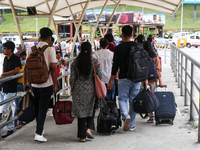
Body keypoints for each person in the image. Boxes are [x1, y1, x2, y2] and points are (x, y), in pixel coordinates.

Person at [107, 26, 148, 131]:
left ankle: (126, 116)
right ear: (132, 34)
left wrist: (111, 80)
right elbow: (143, 63)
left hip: (123, 78)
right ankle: (132, 124)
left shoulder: (118, 48)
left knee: (122, 99)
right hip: (136, 78)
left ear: (122, 34)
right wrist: (145, 78)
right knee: (133, 100)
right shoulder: (138, 46)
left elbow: (115, 66)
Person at [23, 27, 58, 142]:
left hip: (34, 84)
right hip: (46, 83)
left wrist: (25, 83)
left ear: (39, 37)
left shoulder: (31, 49)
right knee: (43, 108)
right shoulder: (50, 49)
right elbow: (53, 68)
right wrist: (56, 84)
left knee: (38, 108)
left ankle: (39, 129)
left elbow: (26, 68)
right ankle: (38, 133)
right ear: (49, 38)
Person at [70, 42, 102, 142]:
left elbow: (72, 78)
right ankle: (88, 129)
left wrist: (72, 88)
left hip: (78, 90)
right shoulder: (94, 61)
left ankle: (82, 136)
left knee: (81, 113)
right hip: (91, 89)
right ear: (91, 49)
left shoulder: (75, 62)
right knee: (90, 109)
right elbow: (99, 76)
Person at [0, 41, 21, 138]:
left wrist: (4, 75)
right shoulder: (5, 58)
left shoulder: (16, 59)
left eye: (4, 48)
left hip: (11, 87)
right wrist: (3, 77)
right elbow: (4, 68)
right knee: (8, 109)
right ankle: (10, 128)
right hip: (4, 86)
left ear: (10, 49)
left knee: (3, 109)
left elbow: (17, 70)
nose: (3, 50)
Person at [143, 40, 164, 123]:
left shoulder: (142, 56)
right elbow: (158, 70)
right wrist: (160, 81)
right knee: (151, 98)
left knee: (145, 98)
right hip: (153, 80)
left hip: (143, 80)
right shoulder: (155, 56)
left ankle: (149, 114)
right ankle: (152, 115)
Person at [14, 51, 27, 130]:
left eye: (25, 58)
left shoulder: (26, 65)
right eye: (22, 58)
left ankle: (20, 121)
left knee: (23, 105)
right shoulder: (17, 66)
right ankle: (15, 123)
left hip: (24, 86)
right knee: (17, 106)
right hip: (18, 86)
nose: (23, 60)